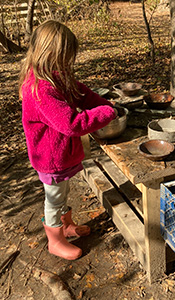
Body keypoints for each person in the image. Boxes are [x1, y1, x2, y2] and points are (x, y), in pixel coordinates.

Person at [19, 20, 118, 260]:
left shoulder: (54, 77)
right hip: (50, 158)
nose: (68, 63)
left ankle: (65, 226)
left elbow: (79, 91)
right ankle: (55, 240)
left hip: (61, 154)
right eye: (66, 57)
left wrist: (100, 102)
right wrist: (107, 113)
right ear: (51, 54)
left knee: (62, 193)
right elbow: (71, 124)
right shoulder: (40, 89)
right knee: (54, 199)